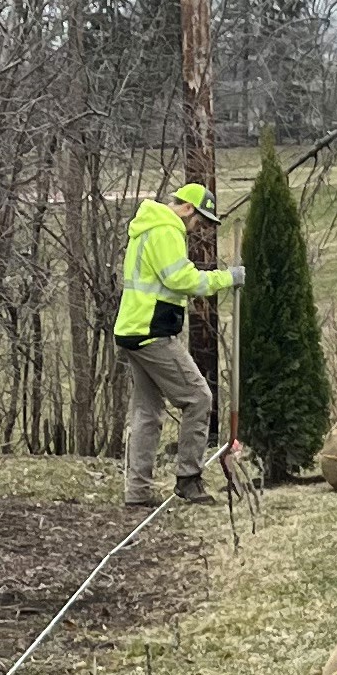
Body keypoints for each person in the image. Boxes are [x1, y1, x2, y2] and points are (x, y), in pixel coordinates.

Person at [114, 177, 243, 507]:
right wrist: (227, 278)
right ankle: (188, 479)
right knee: (198, 397)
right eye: (199, 218)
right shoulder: (167, 229)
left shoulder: (147, 228)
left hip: (132, 330)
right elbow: (180, 278)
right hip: (151, 332)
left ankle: (138, 491)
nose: (198, 227)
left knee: (147, 412)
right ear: (187, 208)